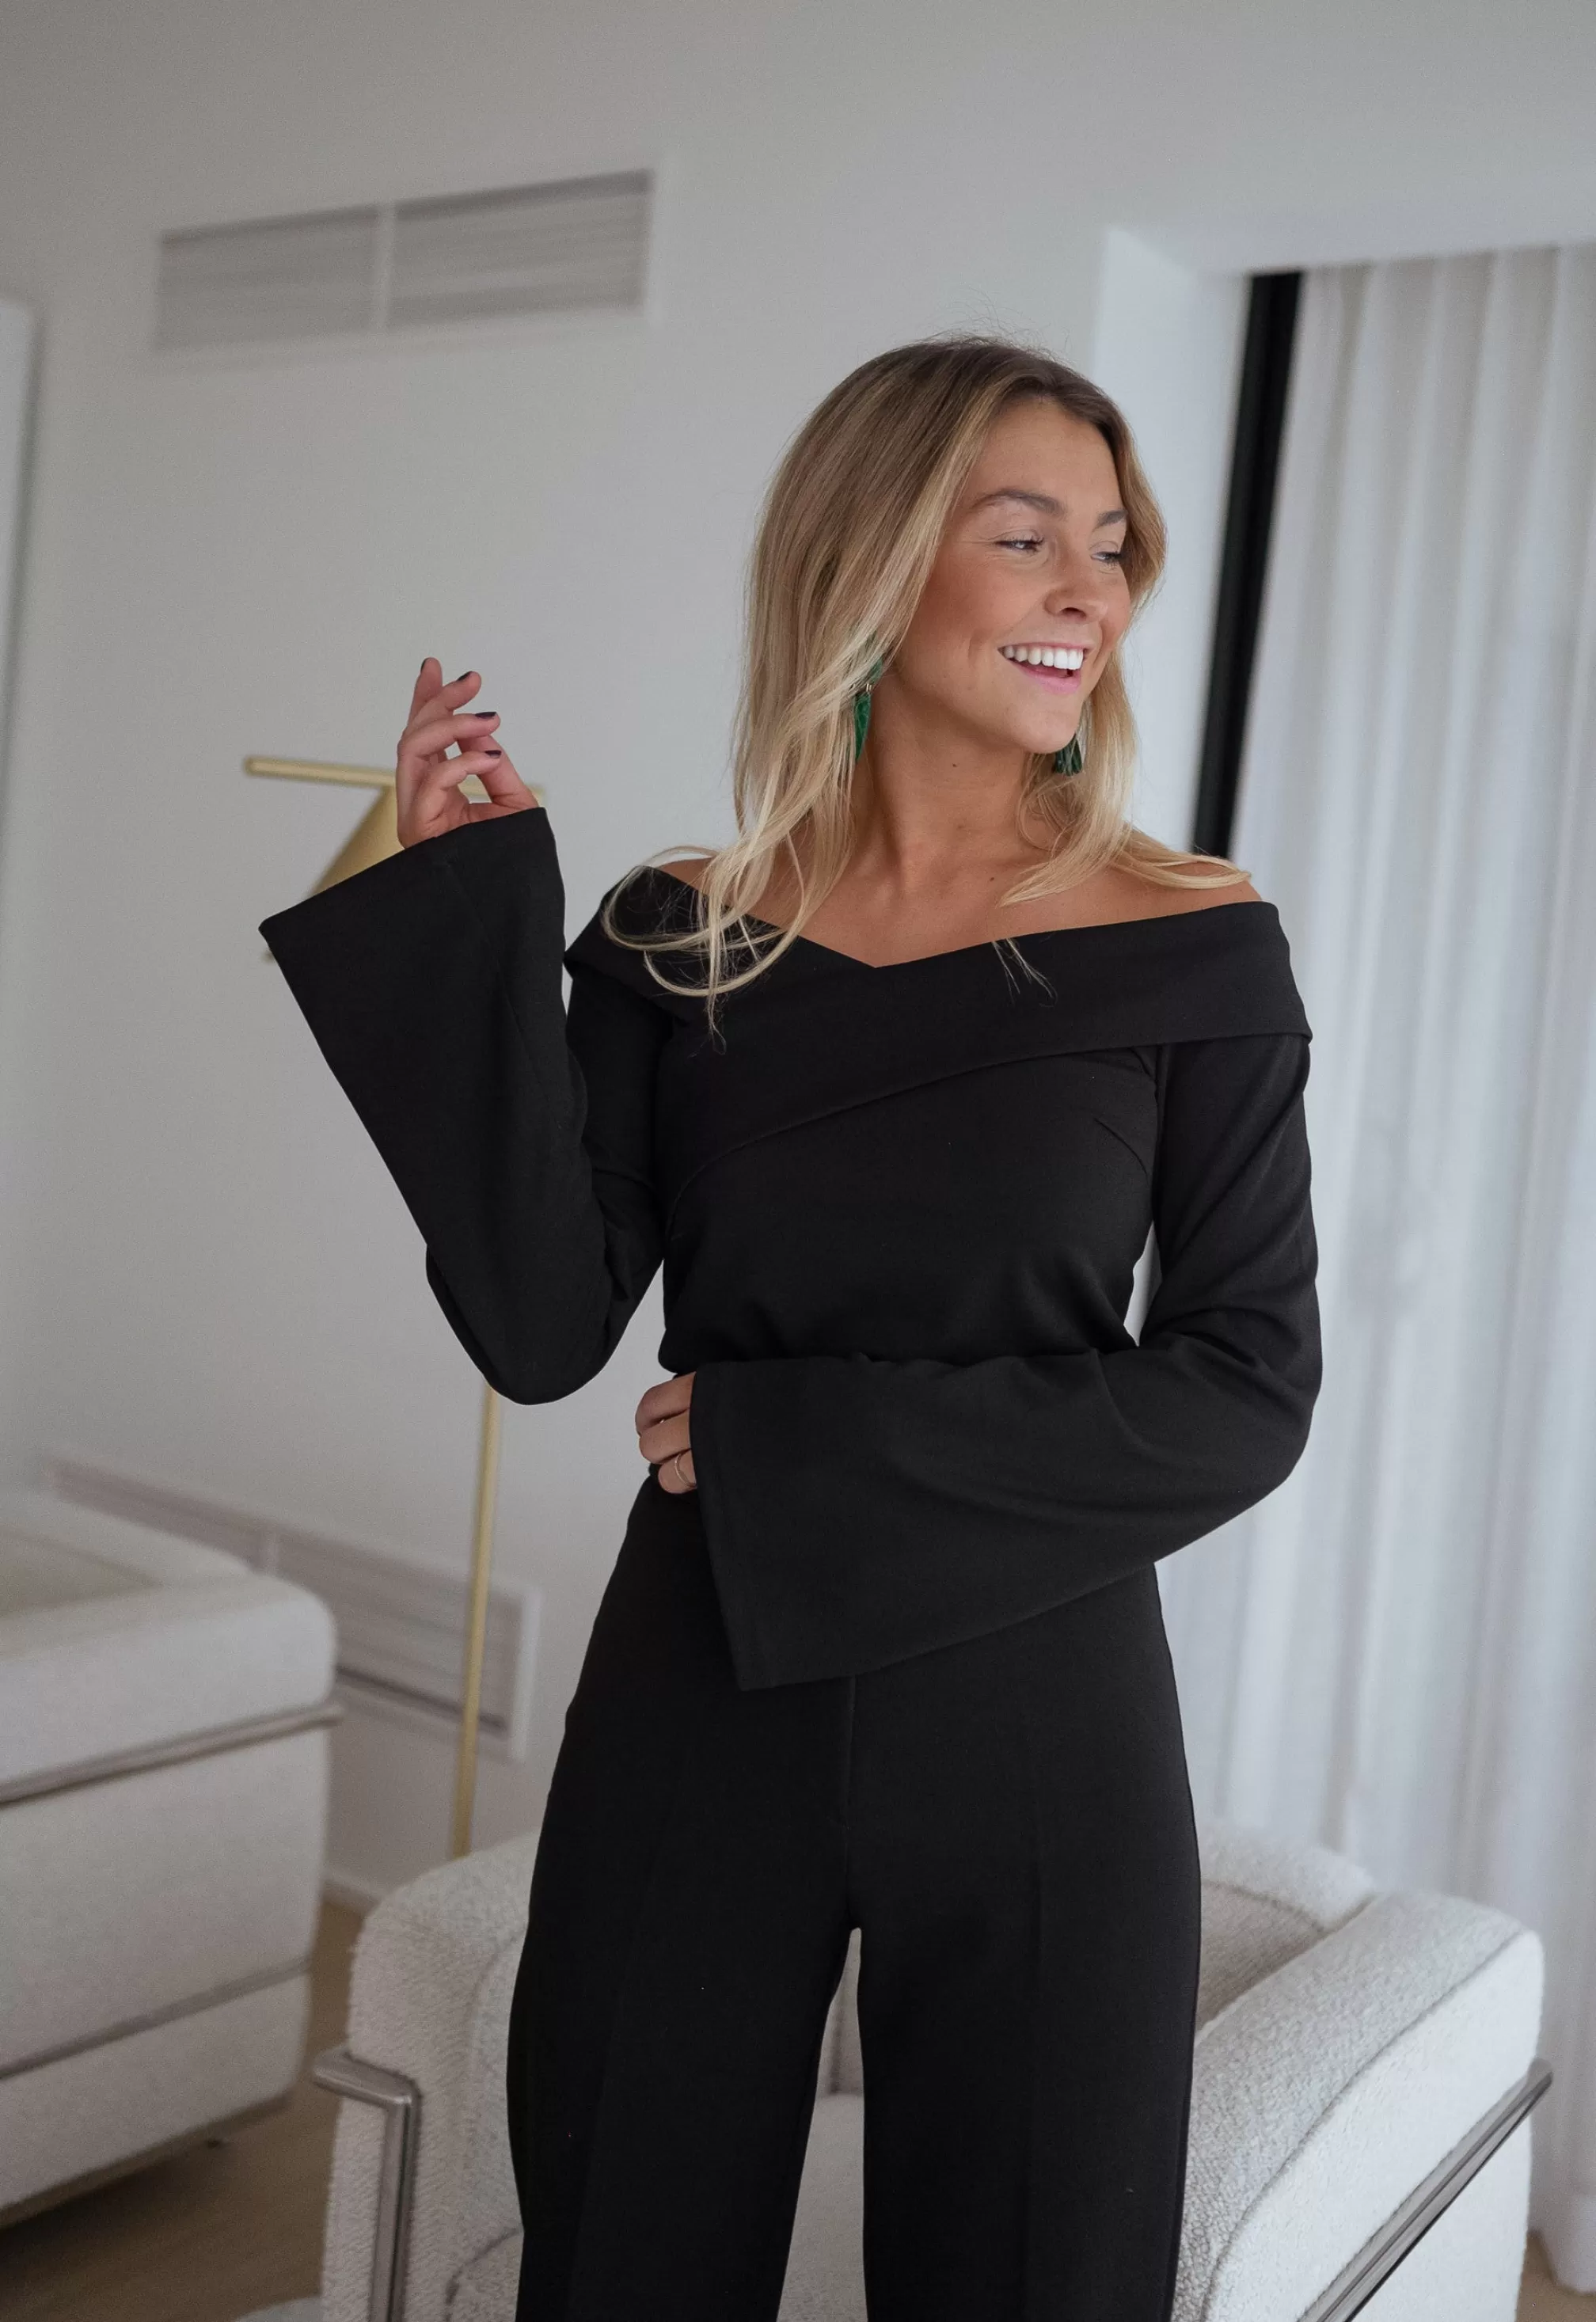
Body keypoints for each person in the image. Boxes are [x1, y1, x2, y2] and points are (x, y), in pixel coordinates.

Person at [260, 333, 1321, 2322]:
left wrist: (793, 1436)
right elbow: (543, 1322)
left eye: (1111, 542)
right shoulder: (680, 932)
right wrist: (469, 911)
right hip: (701, 1684)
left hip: (1040, 1702)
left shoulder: (1193, 937)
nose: (1091, 590)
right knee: (623, 2246)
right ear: (876, 556)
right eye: (1029, 535)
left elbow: (1246, 1389)